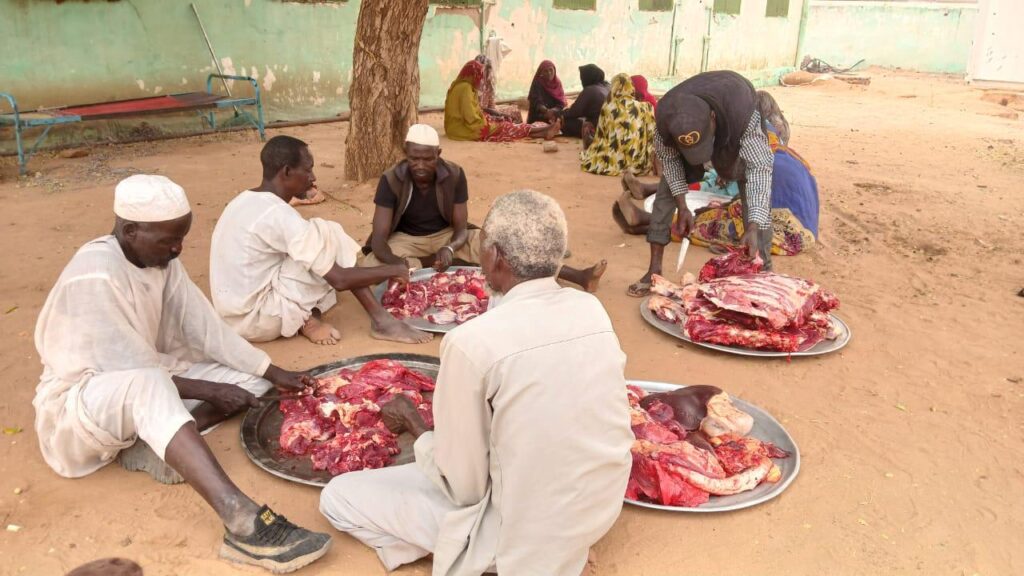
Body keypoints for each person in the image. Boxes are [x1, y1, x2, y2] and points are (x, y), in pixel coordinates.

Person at [320, 190, 633, 575]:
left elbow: (463, 487)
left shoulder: (470, 343)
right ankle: (553, 552)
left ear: (496, 255)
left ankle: (480, 557)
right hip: (598, 513)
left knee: (338, 498)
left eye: (483, 246)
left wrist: (416, 426)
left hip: (522, 533)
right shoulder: (592, 310)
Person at [33, 175, 332, 572]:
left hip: (145, 379)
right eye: (169, 240)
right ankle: (242, 521)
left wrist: (274, 371)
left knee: (250, 380)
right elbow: (127, 368)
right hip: (80, 407)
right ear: (130, 230)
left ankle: (151, 446)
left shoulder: (158, 260)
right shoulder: (95, 274)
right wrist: (209, 391)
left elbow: (204, 327)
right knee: (156, 384)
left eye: (181, 238)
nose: (177, 249)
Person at [210, 135, 432, 347]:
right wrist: (392, 270)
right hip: (260, 319)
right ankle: (382, 322)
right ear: (286, 171)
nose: (313, 177)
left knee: (316, 251)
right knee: (328, 235)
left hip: (232, 318)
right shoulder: (279, 215)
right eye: (308, 169)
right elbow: (340, 280)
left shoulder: (244, 200)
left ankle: (309, 318)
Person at [363, 124, 607, 292]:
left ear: (438, 154)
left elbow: (460, 228)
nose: (420, 165)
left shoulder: (454, 175)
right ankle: (435, 263)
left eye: (428, 159)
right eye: (414, 158)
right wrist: (398, 263)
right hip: (407, 241)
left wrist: (450, 247)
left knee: (506, 245)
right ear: (406, 154)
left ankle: (579, 276)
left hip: (447, 236)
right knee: (368, 265)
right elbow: (379, 240)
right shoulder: (391, 179)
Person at [626, 70, 777, 297]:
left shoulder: (743, 113)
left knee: (751, 189)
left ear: (713, 118)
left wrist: (753, 226)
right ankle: (654, 271)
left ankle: (762, 271)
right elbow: (671, 165)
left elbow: (760, 172)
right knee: (666, 192)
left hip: (734, 131)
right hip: (696, 131)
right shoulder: (666, 121)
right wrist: (682, 206)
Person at [617, 92, 817, 256]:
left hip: (790, 225)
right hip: (802, 217)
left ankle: (647, 221)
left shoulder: (749, 134)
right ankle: (646, 222)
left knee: (721, 226)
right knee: (724, 211)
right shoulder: (771, 141)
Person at [444, 60, 559, 142]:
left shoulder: (465, 86)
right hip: (462, 129)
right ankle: (545, 129)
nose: (481, 79)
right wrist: (489, 122)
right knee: (504, 127)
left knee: (504, 124)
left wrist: (489, 118)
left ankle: (544, 131)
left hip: (460, 126)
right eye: (480, 75)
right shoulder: (465, 88)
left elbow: (475, 111)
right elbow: (471, 118)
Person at [580, 73, 656, 177]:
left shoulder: (608, 107)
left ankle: (591, 142)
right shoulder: (645, 107)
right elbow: (651, 131)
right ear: (630, 86)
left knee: (600, 145)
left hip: (613, 158)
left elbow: (602, 135)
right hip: (637, 161)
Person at [559, 63, 611, 141]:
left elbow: (574, 112)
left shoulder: (590, 90)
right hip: (612, 127)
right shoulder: (608, 86)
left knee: (566, 122)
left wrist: (559, 114)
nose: (582, 81)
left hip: (599, 129)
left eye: (582, 79)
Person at [473, 54, 523, 124]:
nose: (483, 72)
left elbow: (491, 105)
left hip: (490, 110)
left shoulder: (488, 83)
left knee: (515, 110)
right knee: (500, 118)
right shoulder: (472, 84)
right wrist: (498, 114)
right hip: (479, 114)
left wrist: (496, 112)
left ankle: (515, 127)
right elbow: (477, 109)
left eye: (487, 69)